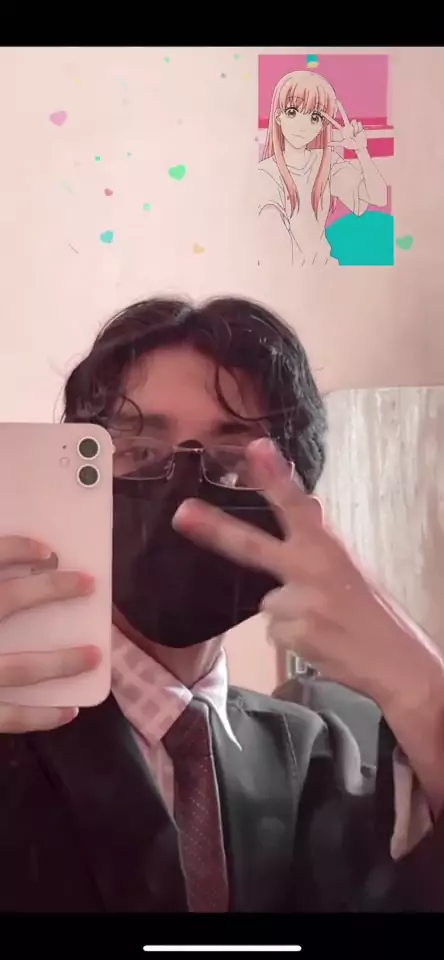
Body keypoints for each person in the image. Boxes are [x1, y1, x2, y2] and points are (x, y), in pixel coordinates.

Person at [0, 295, 444, 913]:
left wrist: (425, 691)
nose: (183, 502)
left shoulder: (315, 757)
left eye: (233, 463)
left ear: (299, 512)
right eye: (140, 454)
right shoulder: (14, 730)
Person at [258, 70, 388, 266]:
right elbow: (278, 252)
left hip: (325, 269)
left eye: (315, 117)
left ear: (322, 125)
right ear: (278, 116)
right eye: (292, 112)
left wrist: (361, 151)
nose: (302, 125)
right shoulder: (265, 174)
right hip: (290, 273)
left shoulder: (325, 163)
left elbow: (379, 197)